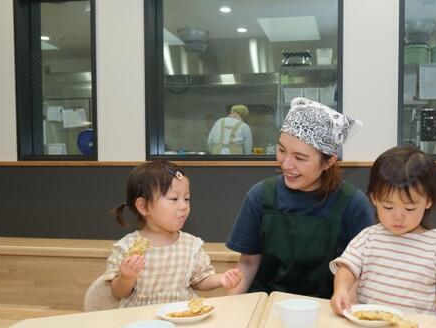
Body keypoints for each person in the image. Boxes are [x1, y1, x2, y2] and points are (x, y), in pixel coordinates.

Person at [227, 97, 375, 299]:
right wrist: (230, 306)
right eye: (281, 150)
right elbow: (248, 262)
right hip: (266, 305)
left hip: (325, 310)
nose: (286, 164)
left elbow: (359, 274)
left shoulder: (353, 204)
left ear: (329, 161)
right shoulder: (261, 195)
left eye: (300, 158)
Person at [330, 147, 436, 321]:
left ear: (428, 201)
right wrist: (341, 289)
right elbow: (347, 268)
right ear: (374, 198)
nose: (398, 216)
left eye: (410, 208)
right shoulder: (368, 237)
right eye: (388, 207)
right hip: (371, 326)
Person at [103, 160, 242, 307]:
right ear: (143, 206)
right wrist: (126, 278)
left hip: (182, 317)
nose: (184, 206)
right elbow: (118, 293)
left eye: (186, 199)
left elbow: (200, 280)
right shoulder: (127, 247)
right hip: (141, 322)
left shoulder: (190, 245)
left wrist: (220, 279)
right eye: (174, 199)